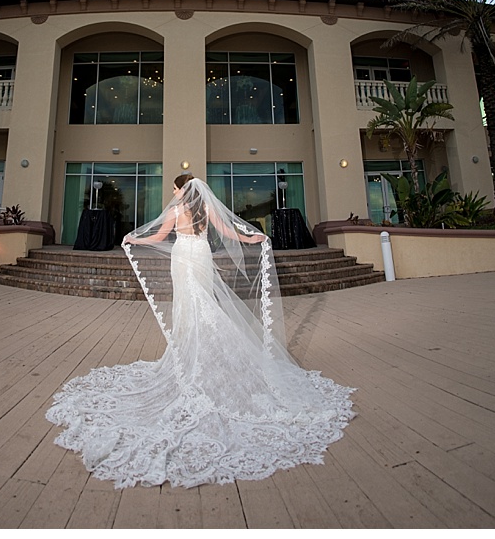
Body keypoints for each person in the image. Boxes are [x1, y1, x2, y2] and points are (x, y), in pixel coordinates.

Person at [45, 174, 355, 489]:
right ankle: (201, 354)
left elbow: (159, 236)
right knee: (202, 305)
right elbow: (228, 231)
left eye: (175, 188)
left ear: (182, 190)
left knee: (190, 308)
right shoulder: (205, 211)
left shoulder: (177, 212)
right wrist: (254, 239)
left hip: (183, 258)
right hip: (201, 257)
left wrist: (133, 240)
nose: (174, 192)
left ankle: (195, 359)